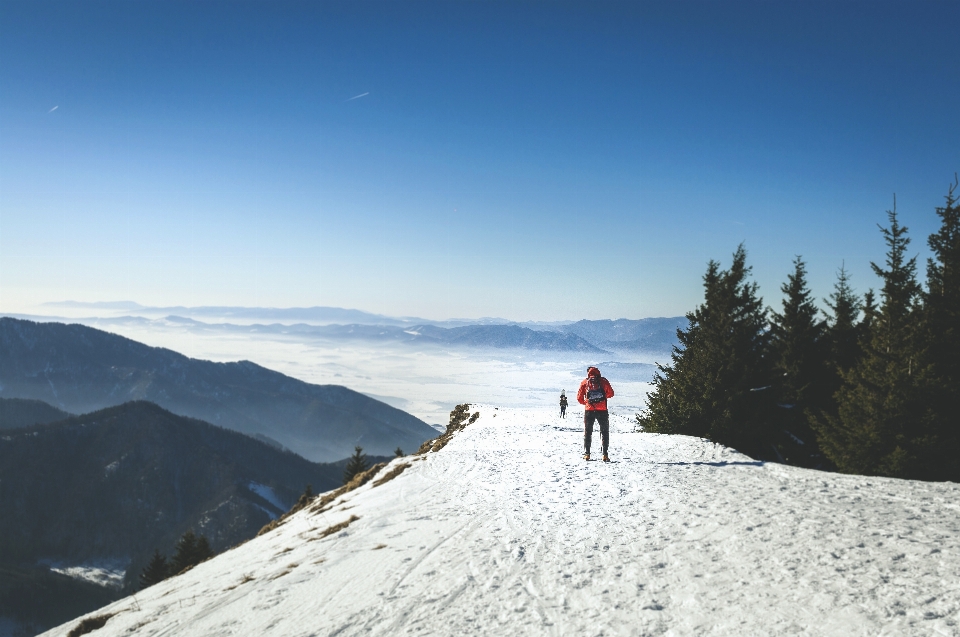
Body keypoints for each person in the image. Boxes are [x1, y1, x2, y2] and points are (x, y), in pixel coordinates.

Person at [576, 366, 614, 462]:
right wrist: (602, 398)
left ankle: (587, 454)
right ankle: (605, 455)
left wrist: (587, 403)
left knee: (588, 432)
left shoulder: (585, 382)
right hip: (603, 410)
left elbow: (579, 398)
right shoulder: (604, 381)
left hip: (589, 410)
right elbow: (611, 393)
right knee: (604, 432)